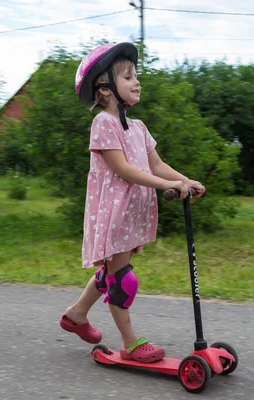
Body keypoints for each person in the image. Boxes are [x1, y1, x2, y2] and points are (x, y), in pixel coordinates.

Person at [60, 42, 206, 363]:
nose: (137, 82)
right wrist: (167, 185)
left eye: (136, 75)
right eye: (128, 77)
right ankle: (130, 343)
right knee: (123, 280)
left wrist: (184, 180)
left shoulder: (138, 127)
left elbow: (156, 165)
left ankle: (76, 315)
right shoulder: (103, 124)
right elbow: (124, 169)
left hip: (132, 215)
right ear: (105, 89)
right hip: (113, 213)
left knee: (113, 274)